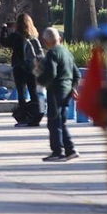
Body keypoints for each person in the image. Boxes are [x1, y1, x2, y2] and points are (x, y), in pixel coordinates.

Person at [37, 26, 77, 162]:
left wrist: (40, 80)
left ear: (45, 41)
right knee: (62, 121)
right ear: (59, 38)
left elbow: (51, 73)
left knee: (54, 121)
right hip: (67, 90)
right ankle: (70, 149)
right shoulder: (67, 52)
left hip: (55, 90)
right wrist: (73, 88)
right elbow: (76, 73)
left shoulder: (52, 54)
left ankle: (57, 151)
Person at [8, 13, 44, 126]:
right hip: (32, 68)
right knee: (33, 92)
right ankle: (36, 116)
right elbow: (40, 53)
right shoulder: (34, 37)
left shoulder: (16, 36)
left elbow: (4, 42)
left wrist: (4, 29)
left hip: (19, 67)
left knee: (22, 92)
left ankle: (23, 117)